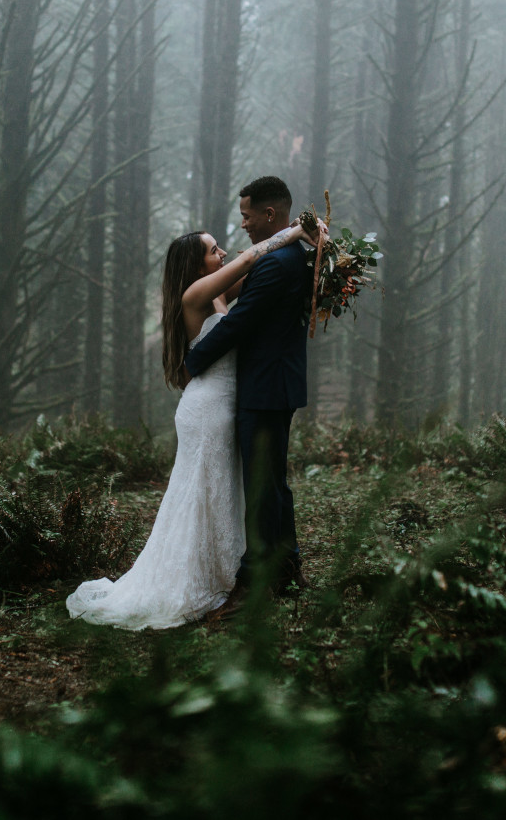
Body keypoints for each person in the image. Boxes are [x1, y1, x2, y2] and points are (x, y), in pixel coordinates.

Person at [65, 207, 320, 630]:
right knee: (204, 490)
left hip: (223, 401)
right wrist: (298, 231)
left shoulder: (217, 294)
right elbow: (249, 258)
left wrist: (310, 247)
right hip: (209, 407)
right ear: (195, 264)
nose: (222, 252)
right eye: (212, 249)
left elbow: (258, 279)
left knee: (217, 490)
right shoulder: (195, 296)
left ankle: (225, 572)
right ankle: (201, 579)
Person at [185, 176, 311, 621]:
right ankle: (287, 563)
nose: (242, 224)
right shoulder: (287, 253)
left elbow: (240, 324)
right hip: (277, 383)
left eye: (246, 215)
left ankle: (253, 582)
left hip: (265, 385)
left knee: (261, 486)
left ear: (269, 215)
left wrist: (194, 360)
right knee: (273, 480)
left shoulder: (277, 264)